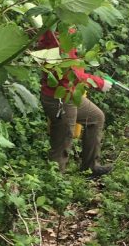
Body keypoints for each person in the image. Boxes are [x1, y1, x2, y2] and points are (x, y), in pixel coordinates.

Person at [36, 28, 111, 178]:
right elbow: (70, 73)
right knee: (63, 138)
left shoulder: (65, 28)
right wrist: (99, 83)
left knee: (96, 118)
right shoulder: (58, 36)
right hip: (60, 97)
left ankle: (91, 166)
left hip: (69, 93)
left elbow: (73, 64)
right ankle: (55, 179)